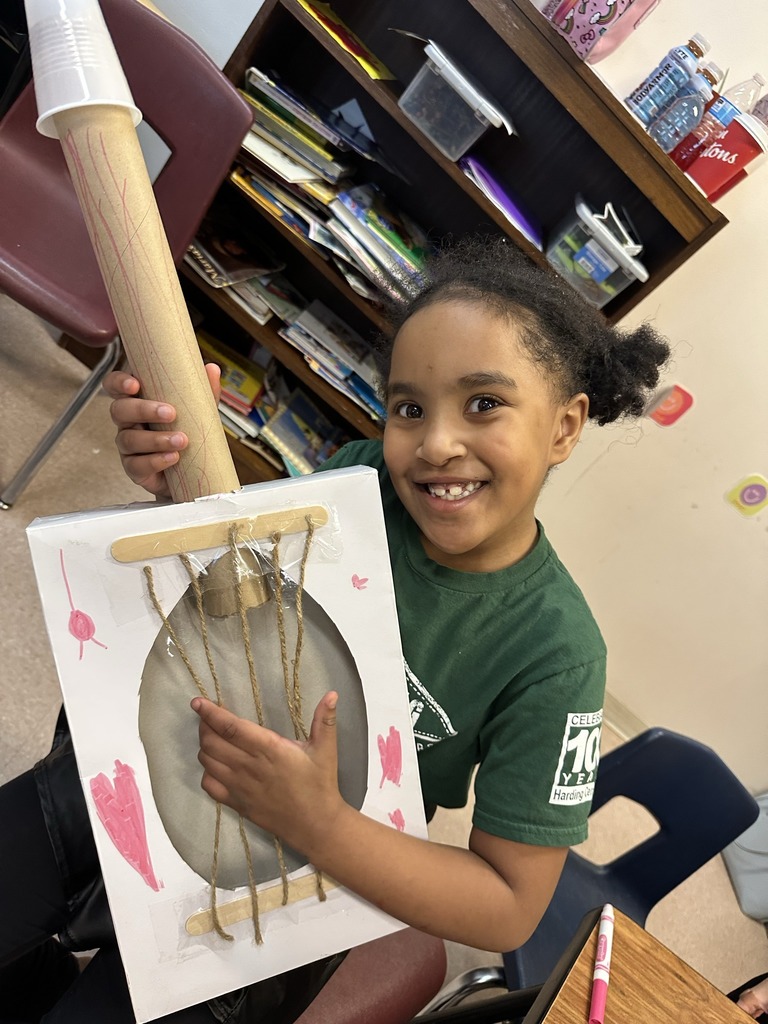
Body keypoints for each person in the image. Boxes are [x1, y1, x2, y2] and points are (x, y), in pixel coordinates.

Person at [0, 236, 670, 1022]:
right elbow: (224, 591)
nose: (436, 443)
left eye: (483, 403)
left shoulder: (557, 653)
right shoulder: (359, 482)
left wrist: (317, 822)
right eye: (408, 407)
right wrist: (174, 481)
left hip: (286, 898)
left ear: (565, 426)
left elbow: (509, 904)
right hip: (145, 780)